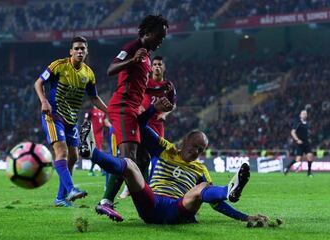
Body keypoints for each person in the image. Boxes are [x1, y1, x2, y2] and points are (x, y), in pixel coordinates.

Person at [79, 97, 268, 224]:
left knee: (202, 188)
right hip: (150, 204)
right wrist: (153, 108)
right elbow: (140, 126)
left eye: (201, 150)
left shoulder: (200, 169)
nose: (197, 152)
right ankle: (92, 153)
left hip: (177, 210)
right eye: (195, 146)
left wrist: (245, 218)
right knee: (130, 165)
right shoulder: (165, 148)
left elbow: (216, 203)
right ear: (185, 141)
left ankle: (230, 190)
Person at [89, 15, 169, 221]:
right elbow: (110, 69)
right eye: (159, 36)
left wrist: (161, 89)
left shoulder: (148, 56)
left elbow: (140, 84)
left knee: (143, 159)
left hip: (134, 110)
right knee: (129, 159)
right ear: (147, 33)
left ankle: (145, 205)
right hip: (123, 108)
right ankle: (105, 202)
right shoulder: (133, 47)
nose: (161, 40)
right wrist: (132, 60)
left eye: (163, 37)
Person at [34, 36, 107, 207]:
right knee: (62, 152)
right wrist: (43, 101)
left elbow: (94, 97)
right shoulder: (58, 65)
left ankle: (60, 198)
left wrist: (110, 111)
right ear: (71, 51)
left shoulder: (88, 73)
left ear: (86, 51)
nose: (80, 51)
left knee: (73, 157)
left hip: (71, 120)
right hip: (53, 116)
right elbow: (38, 83)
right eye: (77, 48)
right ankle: (71, 190)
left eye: (83, 48)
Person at [119, 55, 176, 199]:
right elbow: (135, 96)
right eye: (155, 64)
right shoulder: (145, 82)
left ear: (164, 67)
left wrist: (165, 114)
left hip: (157, 124)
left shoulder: (168, 85)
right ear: (151, 67)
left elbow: (172, 104)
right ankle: (130, 186)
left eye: (160, 64)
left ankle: (151, 187)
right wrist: (138, 107)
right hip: (143, 122)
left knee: (158, 154)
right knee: (139, 155)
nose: (157, 67)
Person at [284, 110, 314, 176]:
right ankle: (287, 167)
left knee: (310, 157)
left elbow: (306, 133)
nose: (305, 115)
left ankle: (309, 173)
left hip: (306, 143)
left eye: (306, 114)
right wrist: (297, 140)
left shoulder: (307, 123)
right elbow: (292, 132)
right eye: (303, 114)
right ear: (300, 115)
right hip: (300, 143)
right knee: (298, 159)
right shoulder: (298, 123)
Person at [84, 106, 111, 176]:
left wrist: (112, 127)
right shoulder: (91, 111)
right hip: (93, 135)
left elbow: (105, 122)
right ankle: (99, 170)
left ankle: (94, 170)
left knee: (97, 152)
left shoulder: (102, 112)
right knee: (97, 152)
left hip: (100, 135)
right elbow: (86, 121)